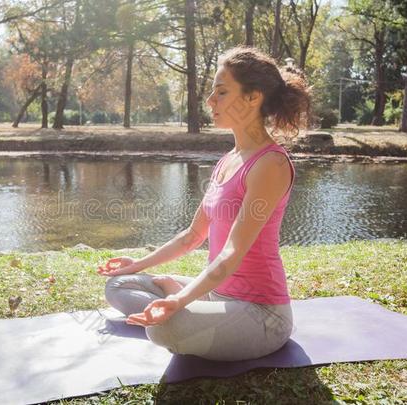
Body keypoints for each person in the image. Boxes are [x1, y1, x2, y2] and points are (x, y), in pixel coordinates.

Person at [97, 46, 311, 361]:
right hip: (216, 294)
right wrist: (136, 265)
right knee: (118, 285)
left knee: (163, 330)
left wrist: (179, 299)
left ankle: (181, 308)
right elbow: (192, 235)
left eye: (221, 92)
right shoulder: (228, 160)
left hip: (261, 314)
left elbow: (232, 252)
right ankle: (187, 306)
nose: (210, 101)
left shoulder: (271, 164)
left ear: (252, 98)